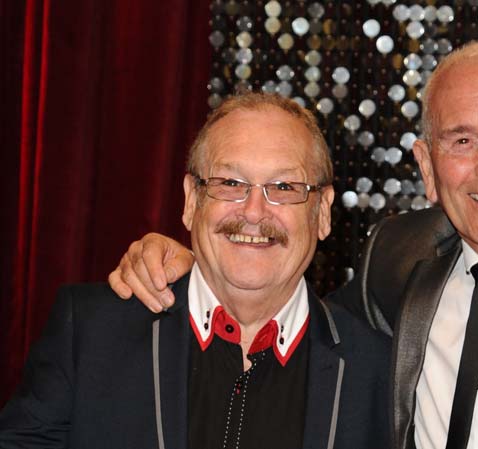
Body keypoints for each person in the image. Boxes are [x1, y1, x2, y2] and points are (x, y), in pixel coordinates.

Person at [108, 40, 478, 449]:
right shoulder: (398, 251)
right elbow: (302, 326)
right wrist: (203, 271)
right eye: (461, 139)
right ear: (426, 165)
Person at [0, 93, 391, 449]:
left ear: (322, 213)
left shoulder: (378, 372)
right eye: (230, 183)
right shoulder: (90, 331)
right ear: (191, 201)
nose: (254, 212)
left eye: (284, 186)